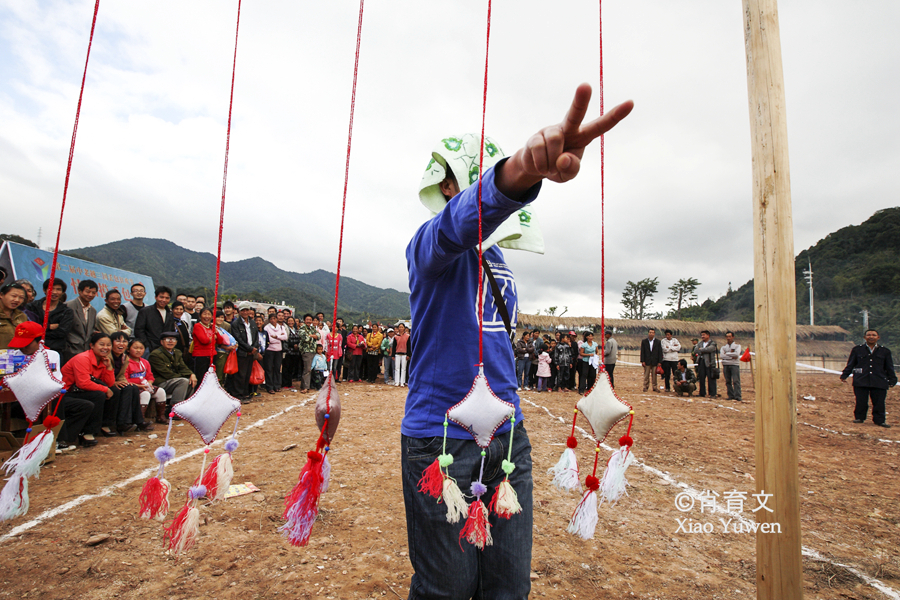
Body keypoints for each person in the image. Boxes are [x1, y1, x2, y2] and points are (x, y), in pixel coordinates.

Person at [400, 85, 632, 599]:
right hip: (442, 439)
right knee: (447, 589)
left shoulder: (496, 257)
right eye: (475, 176)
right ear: (445, 187)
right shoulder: (430, 244)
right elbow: (465, 217)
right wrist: (521, 170)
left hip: (508, 436)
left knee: (509, 586)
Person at [6, 322, 79, 451]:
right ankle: (56, 440)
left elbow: (56, 381)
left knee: (82, 405)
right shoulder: (9, 357)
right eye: (20, 344)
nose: (23, 347)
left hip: (45, 396)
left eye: (27, 344)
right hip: (18, 401)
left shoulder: (52, 355)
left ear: (39, 341)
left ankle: (58, 439)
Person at [59, 332, 115, 448]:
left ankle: (103, 425)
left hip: (80, 391)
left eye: (108, 345)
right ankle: (87, 432)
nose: (105, 347)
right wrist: (105, 389)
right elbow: (83, 383)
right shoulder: (83, 358)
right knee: (99, 395)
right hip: (66, 393)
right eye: (101, 344)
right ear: (92, 345)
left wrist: (109, 368)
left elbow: (109, 383)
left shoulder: (102, 359)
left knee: (114, 391)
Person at [841, 328, 896, 428]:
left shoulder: (885, 351)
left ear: (878, 337)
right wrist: (845, 374)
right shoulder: (857, 350)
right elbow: (851, 363)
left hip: (879, 380)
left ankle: (879, 420)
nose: (871, 337)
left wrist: (892, 379)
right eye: (869, 335)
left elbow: (889, 366)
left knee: (879, 402)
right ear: (864, 337)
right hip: (861, 380)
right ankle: (859, 418)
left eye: (874, 335)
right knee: (861, 400)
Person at [108, 331, 148, 433]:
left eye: (124, 341)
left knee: (132, 387)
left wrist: (124, 382)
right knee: (121, 390)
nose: (121, 344)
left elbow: (121, 375)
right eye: (118, 341)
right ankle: (121, 423)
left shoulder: (124, 357)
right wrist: (114, 382)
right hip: (106, 383)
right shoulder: (107, 356)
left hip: (116, 382)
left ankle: (137, 421)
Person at [148, 331, 197, 412]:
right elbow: (166, 373)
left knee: (191, 381)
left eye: (173, 339)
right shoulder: (156, 354)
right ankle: (174, 408)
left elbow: (183, 367)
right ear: (161, 342)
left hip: (174, 380)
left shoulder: (177, 352)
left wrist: (191, 374)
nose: (170, 342)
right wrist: (182, 376)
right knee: (183, 381)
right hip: (161, 381)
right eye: (168, 339)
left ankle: (185, 407)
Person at [26, 278, 73, 358]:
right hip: (32, 350)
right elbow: (29, 328)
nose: (54, 292)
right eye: (51, 288)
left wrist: (39, 332)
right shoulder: (32, 307)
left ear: (63, 292)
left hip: (55, 351)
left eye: (58, 289)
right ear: (44, 290)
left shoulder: (66, 311)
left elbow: (62, 333)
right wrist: (49, 327)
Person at [125, 339, 167, 424]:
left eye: (141, 348)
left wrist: (149, 383)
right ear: (128, 349)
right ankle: (140, 420)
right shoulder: (126, 362)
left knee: (161, 392)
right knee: (145, 394)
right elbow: (125, 379)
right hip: (134, 387)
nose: (138, 350)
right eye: (135, 348)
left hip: (145, 386)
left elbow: (150, 376)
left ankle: (160, 416)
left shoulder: (145, 362)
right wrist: (140, 386)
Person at [231, 302, 260, 400]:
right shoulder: (236, 324)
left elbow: (256, 337)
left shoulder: (252, 322)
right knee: (240, 375)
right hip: (242, 352)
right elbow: (238, 339)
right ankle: (238, 394)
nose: (245, 312)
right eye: (242, 310)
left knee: (247, 374)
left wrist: (254, 348)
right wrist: (249, 348)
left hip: (251, 352)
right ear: (239, 311)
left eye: (246, 310)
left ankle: (245, 393)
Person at [134, 286, 175, 354]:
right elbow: (139, 330)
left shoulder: (170, 313)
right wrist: (147, 345)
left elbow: (171, 331)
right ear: (156, 297)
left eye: (167, 298)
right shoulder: (145, 311)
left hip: (165, 349)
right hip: (149, 349)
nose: (164, 300)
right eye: (161, 297)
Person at [192, 307, 226, 381]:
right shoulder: (198, 326)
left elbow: (220, 341)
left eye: (209, 314)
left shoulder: (211, 327)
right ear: (200, 316)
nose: (207, 316)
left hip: (212, 355)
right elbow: (204, 340)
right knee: (201, 379)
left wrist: (216, 331)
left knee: (211, 379)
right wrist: (214, 337)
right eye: (204, 314)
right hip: (201, 356)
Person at [263, 312, 287, 394]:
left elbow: (285, 337)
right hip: (270, 350)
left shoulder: (281, 327)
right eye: (271, 319)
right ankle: (269, 386)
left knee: (277, 368)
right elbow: (269, 339)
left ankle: (277, 385)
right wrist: (279, 337)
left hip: (278, 350)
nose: (273, 320)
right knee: (269, 368)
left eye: (274, 318)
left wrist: (276, 336)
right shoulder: (267, 328)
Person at [0, 282, 28, 349]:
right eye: (14, 296)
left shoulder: (22, 316)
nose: (17, 300)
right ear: (1, 295)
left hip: (17, 354)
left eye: (21, 297)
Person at [297, 314, 320, 392]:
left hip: (313, 350)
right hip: (306, 351)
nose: (309, 321)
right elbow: (305, 338)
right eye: (307, 319)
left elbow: (318, 336)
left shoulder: (312, 328)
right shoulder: (302, 328)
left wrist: (311, 336)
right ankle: (305, 387)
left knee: (311, 369)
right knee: (307, 369)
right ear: (304, 320)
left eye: (310, 319)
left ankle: (306, 385)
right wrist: (314, 336)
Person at [719, 331, 743, 402]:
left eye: (730, 336)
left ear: (733, 337)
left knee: (736, 381)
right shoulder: (723, 347)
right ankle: (730, 395)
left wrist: (726, 354)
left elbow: (737, 354)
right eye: (727, 336)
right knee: (728, 381)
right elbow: (722, 356)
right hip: (726, 365)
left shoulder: (737, 346)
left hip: (734, 365)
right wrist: (731, 356)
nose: (728, 338)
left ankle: (738, 395)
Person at [695, 330, 719, 398]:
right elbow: (696, 350)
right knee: (701, 377)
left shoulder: (713, 343)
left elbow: (710, 349)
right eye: (702, 335)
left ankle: (712, 393)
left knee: (711, 378)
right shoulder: (700, 343)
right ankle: (702, 393)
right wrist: (703, 350)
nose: (702, 336)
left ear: (708, 335)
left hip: (709, 363)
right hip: (701, 361)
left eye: (704, 335)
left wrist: (701, 350)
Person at [640, 327, 663, 393]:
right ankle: (645, 387)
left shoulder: (658, 342)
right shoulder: (644, 341)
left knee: (654, 375)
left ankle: (655, 387)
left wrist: (660, 361)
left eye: (652, 333)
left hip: (655, 361)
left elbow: (660, 352)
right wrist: (642, 361)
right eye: (650, 332)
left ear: (654, 334)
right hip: (647, 361)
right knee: (646, 375)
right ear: (648, 333)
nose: (651, 334)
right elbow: (642, 352)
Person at [283, 316, 301, 388]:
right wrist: (293, 345)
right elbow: (286, 340)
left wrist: (297, 345)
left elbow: (299, 339)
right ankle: (285, 383)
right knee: (286, 367)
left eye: (292, 321)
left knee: (292, 368)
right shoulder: (286, 329)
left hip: (295, 352)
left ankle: (290, 383)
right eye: (289, 321)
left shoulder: (296, 330)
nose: (290, 322)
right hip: (288, 351)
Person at [392, 322, 410, 387]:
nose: (401, 328)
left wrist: (408, 354)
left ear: (404, 328)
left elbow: (409, 346)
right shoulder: (396, 336)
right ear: (398, 328)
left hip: (404, 354)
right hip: (397, 354)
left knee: (403, 369)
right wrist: (393, 355)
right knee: (397, 368)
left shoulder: (407, 336)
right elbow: (394, 346)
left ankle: (402, 382)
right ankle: (397, 381)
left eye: (402, 327)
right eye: (400, 327)